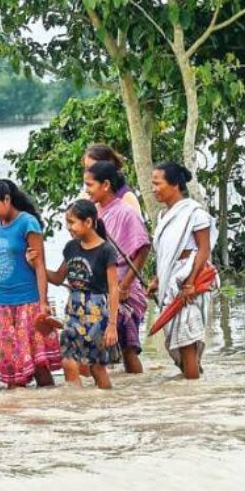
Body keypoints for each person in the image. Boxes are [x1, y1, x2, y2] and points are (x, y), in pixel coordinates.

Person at [0, 179, 59, 388]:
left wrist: (43, 302)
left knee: (39, 367)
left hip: (29, 301)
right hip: (3, 304)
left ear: (7, 199)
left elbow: (40, 265)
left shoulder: (28, 223)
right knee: (11, 371)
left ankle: (52, 413)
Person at [147, 162, 218, 379]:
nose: (154, 189)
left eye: (158, 183)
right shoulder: (162, 217)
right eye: (152, 184)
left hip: (189, 281)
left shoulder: (195, 214)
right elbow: (166, 254)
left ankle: (192, 391)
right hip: (171, 281)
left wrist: (190, 283)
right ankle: (193, 379)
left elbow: (203, 250)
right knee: (178, 338)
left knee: (186, 339)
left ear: (175, 184)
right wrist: (158, 279)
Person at [43, 200, 121, 389]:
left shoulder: (106, 250)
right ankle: (76, 405)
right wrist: (35, 265)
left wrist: (112, 325)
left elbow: (113, 289)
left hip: (96, 311)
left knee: (96, 367)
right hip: (73, 309)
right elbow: (57, 277)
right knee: (67, 359)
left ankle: (107, 404)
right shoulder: (71, 247)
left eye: (72, 222)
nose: (68, 228)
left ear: (88, 222)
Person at [86, 161, 152, 373]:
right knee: (98, 348)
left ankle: (136, 388)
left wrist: (124, 286)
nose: (86, 190)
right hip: (101, 288)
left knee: (127, 348)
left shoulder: (126, 212)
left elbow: (143, 248)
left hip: (124, 290)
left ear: (105, 185)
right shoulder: (93, 213)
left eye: (90, 185)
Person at [83, 143, 142, 216]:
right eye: (87, 169)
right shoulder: (88, 197)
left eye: (94, 168)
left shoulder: (127, 198)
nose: (89, 173)